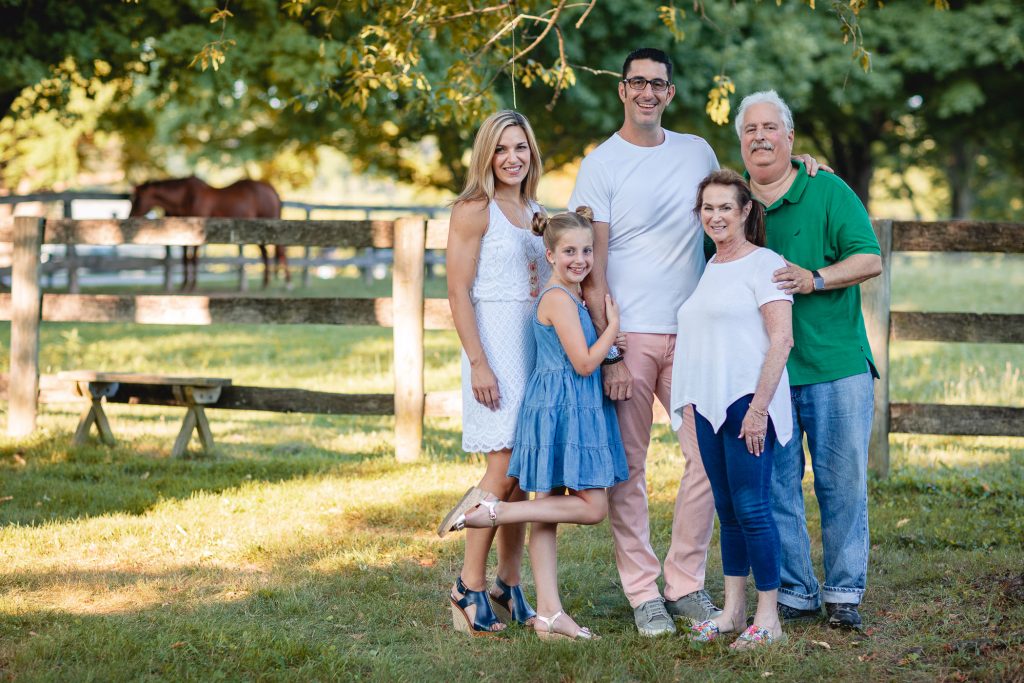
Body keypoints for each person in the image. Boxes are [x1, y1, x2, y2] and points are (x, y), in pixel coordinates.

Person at [568, 47, 827, 636]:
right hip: (629, 335)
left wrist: (805, 163)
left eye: (657, 83)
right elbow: (593, 264)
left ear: (670, 91)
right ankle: (642, 593)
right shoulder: (600, 165)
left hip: (693, 339)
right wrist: (609, 348)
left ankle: (685, 583)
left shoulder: (696, 152)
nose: (647, 93)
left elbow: (740, 194)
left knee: (706, 464)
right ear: (622, 90)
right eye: (636, 82)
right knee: (629, 470)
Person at [446, 207, 629, 641]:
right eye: (569, 251)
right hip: (564, 407)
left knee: (547, 510)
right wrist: (613, 332)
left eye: (586, 250)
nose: (580, 259)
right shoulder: (558, 299)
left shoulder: (569, 295)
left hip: (564, 406)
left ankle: (549, 614)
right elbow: (585, 362)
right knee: (593, 506)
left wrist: (604, 339)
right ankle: (498, 511)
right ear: (548, 254)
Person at [736, 90, 882, 630]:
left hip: (836, 364)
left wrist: (815, 279)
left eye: (770, 127)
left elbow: (869, 258)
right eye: (750, 130)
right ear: (741, 143)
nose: (760, 137)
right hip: (767, 373)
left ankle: (844, 591)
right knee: (775, 484)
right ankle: (796, 590)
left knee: (840, 481)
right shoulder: (735, 206)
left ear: (790, 138)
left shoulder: (827, 189)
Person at [670, 169, 794, 649]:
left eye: (726, 207)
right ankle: (732, 610)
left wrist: (759, 409)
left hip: (747, 403)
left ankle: (769, 618)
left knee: (753, 507)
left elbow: (781, 339)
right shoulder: (712, 265)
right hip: (708, 404)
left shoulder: (765, 264)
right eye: (708, 208)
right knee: (727, 510)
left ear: (745, 211)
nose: (716, 216)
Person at [438, 109, 549, 636]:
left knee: (522, 475)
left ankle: (508, 581)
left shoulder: (535, 211)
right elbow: (457, 290)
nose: (512, 158)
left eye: (521, 148)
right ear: (487, 154)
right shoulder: (472, 209)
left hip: (534, 347)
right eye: (502, 149)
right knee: (501, 468)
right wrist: (479, 361)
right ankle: (467, 585)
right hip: (494, 348)